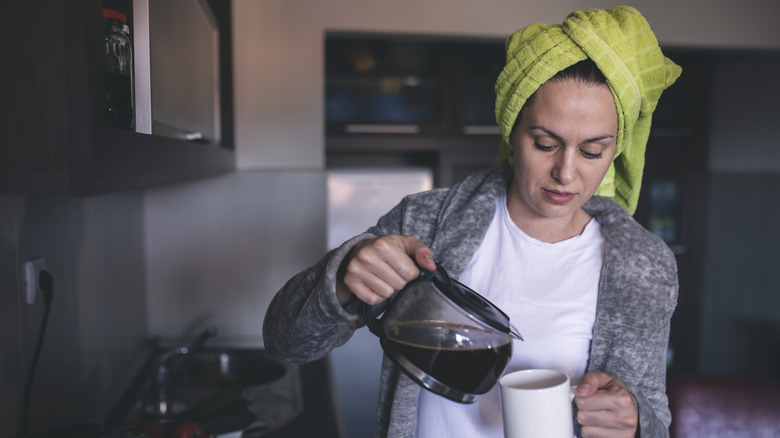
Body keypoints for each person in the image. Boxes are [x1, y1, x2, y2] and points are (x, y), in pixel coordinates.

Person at [264, 5, 681, 438]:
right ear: (512, 132)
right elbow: (286, 343)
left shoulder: (644, 264)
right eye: (544, 143)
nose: (566, 173)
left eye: (592, 151)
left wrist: (634, 422)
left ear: (615, 149)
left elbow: (654, 418)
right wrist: (342, 277)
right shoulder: (426, 223)